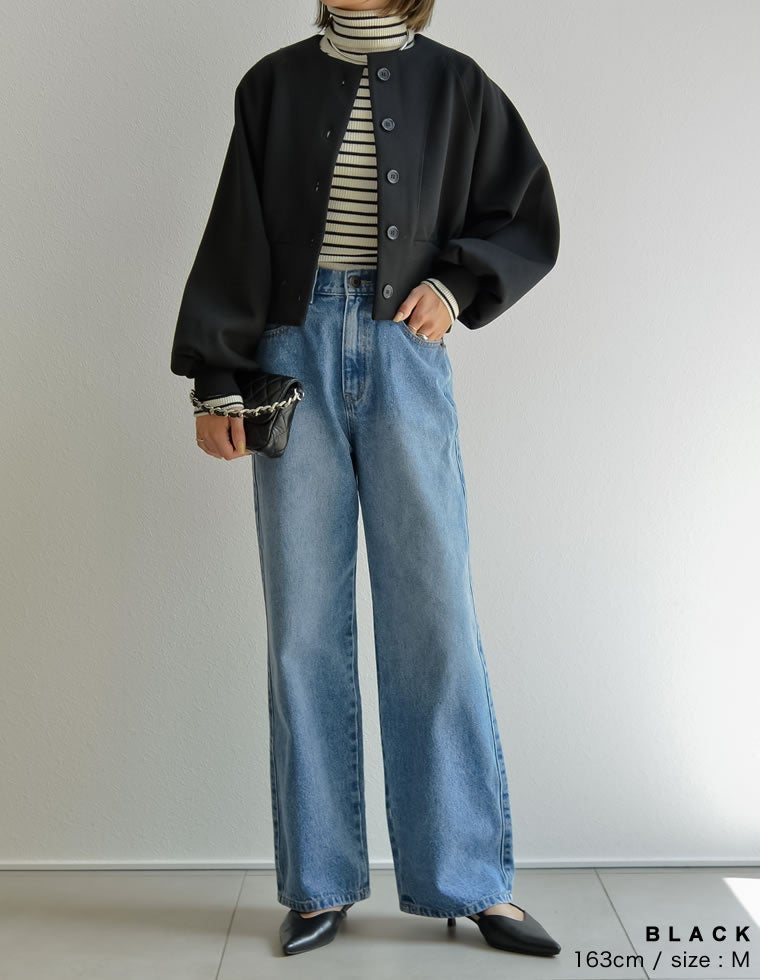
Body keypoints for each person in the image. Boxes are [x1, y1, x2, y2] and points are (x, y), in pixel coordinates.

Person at [171, 0, 561, 959]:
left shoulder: (457, 85)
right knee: (303, 625)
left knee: (435, 619)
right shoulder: (271, 85)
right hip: (288, 357)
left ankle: (470, 880)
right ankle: (318, 883)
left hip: (404, 355)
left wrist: (455, 286)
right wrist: (217, 380)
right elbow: (236, 236)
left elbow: (523, 213)